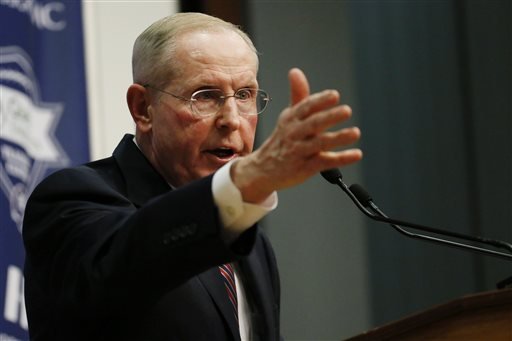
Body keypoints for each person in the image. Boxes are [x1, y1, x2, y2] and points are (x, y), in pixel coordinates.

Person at [22, 12, 362, 341]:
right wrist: (245, 182)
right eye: (206, 96)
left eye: (244, 95)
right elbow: (124, 268)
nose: (232, 119)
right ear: (143, 108)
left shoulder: (251, 242)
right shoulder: (74, 198)